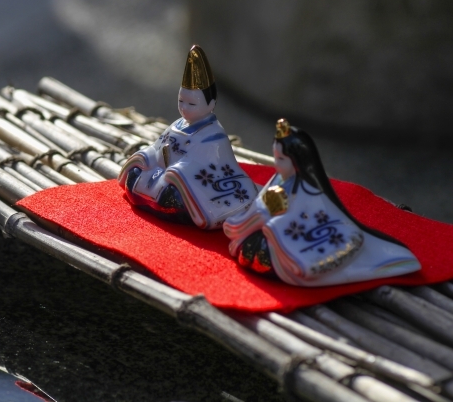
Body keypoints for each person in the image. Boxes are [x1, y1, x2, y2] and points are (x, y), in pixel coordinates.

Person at [223, 118, 421, 286]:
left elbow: (312, 217)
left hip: (296, 236)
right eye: (276, 158)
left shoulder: (309, 189)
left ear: (297, 161)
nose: (277, 164)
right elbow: (260, 206)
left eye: (281, 159)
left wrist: (274, 220)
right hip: (270, 237)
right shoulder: (277, 180)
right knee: (251, 248)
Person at [118, 45, 258, 229]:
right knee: (136, 174)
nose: (184, 108)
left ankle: (164, 203)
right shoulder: (177, 125)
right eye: (181, 101)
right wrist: (147, 157)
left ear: (211, 103)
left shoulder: (214, 135)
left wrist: (178, 172)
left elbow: (209, 165)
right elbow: (157, 147)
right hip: (161, 175)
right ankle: (151, 198)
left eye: (192, 103)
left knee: (173, 196)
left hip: (191, 184)